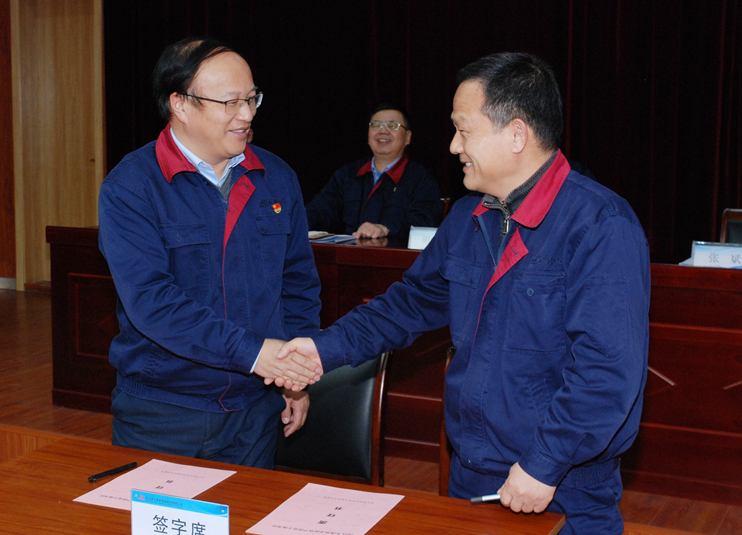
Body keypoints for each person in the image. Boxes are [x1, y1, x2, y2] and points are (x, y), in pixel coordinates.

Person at [276, 52, 650, 533]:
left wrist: (544, 463)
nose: (454, 146)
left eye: (463, 130)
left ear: (516, 134)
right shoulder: (468, 217)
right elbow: (408, 304)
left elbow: (607, 371)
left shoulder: (600, 224)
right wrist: (321, 349)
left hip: (559, 483)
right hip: (472, 469)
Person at [97, 36, 322, 469]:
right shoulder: (132, 186)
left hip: (255, 410)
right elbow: (154, 303)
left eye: (252, 99)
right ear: (180, 104)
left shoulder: (275, 176)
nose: (247, 114)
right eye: (230, 102)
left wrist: (294, 374)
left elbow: (298, 284)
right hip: (164, 411)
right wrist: (256, 354)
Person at [305, 103, 443, 239]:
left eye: (392, 126)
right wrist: (299, 221)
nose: (383, 131)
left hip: (394, 253)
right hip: (349, 251)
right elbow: (320, 210)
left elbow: (426, 221)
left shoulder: (421, 179)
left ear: (408, 137)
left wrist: (386, 228)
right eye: (376, 125)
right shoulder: (348, 174)